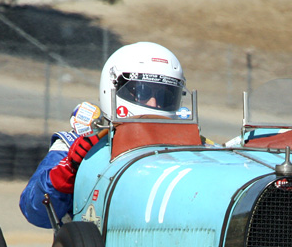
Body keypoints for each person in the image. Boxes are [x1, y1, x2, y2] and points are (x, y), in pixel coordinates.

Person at [19, 41, 187, 229]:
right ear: (113, 87)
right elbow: (35, 212)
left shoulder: (187, 150)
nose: (154, 103)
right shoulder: (76, 144)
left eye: (166, 95)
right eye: (143, 91)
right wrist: (70, 167)